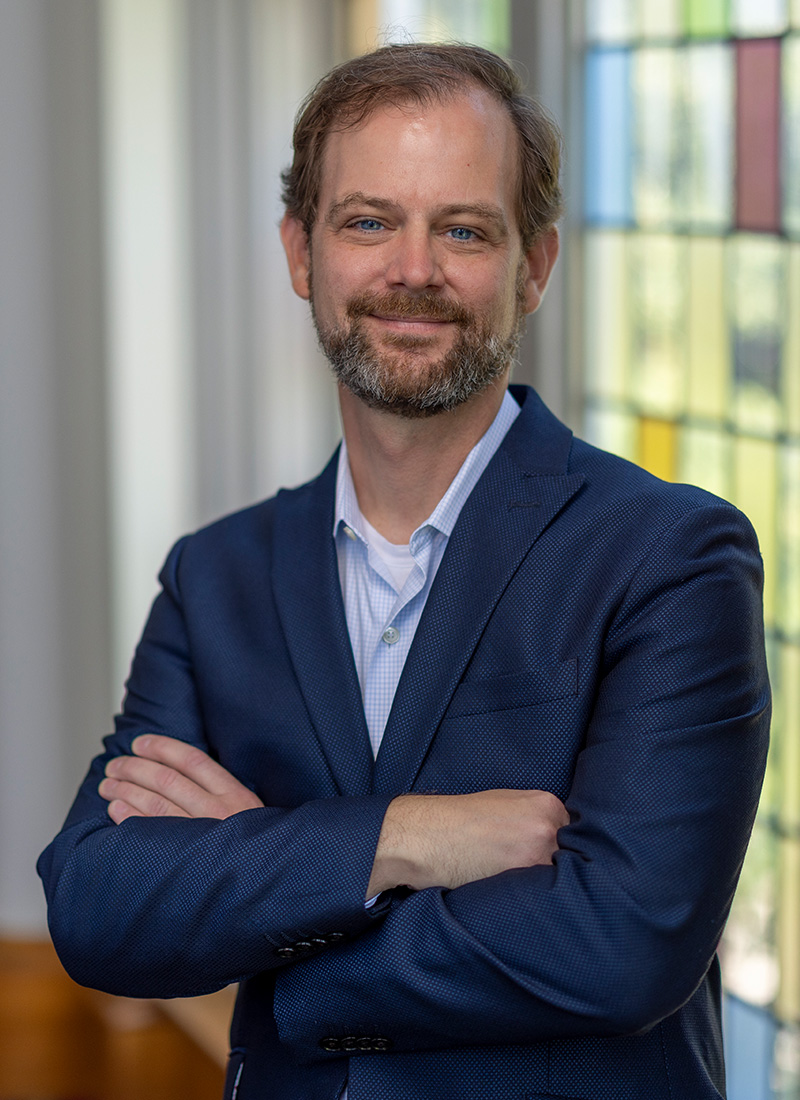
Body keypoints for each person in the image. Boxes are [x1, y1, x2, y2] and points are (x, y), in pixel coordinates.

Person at [39, 42, 770, 1100]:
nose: (413, 270)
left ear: (533, 268)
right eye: (368, 221)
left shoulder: (670, 557)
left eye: (463, 229)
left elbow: (620, 943)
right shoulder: (217, 578)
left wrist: (268, 907)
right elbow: (100, 903)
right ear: (301, 253)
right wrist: (413, 835)